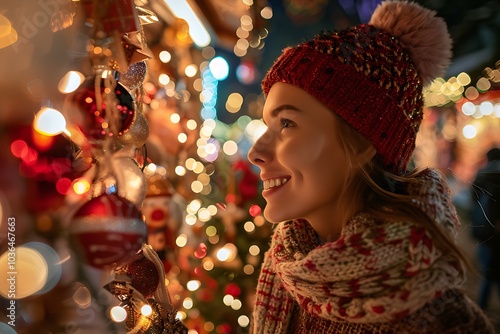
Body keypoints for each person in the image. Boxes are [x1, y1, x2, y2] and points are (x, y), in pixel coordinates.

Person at [246, 1, 494, 333]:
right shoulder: (287, 268)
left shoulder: (438, 323)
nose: (255, 153)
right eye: (267, 125)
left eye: (287, 123)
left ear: (363, 144)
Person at [470, 147, 500, 310]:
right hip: (497, 231)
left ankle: (482, 306)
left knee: (487, 272)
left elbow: (472, 198)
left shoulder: (482, 173)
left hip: (485, 229)